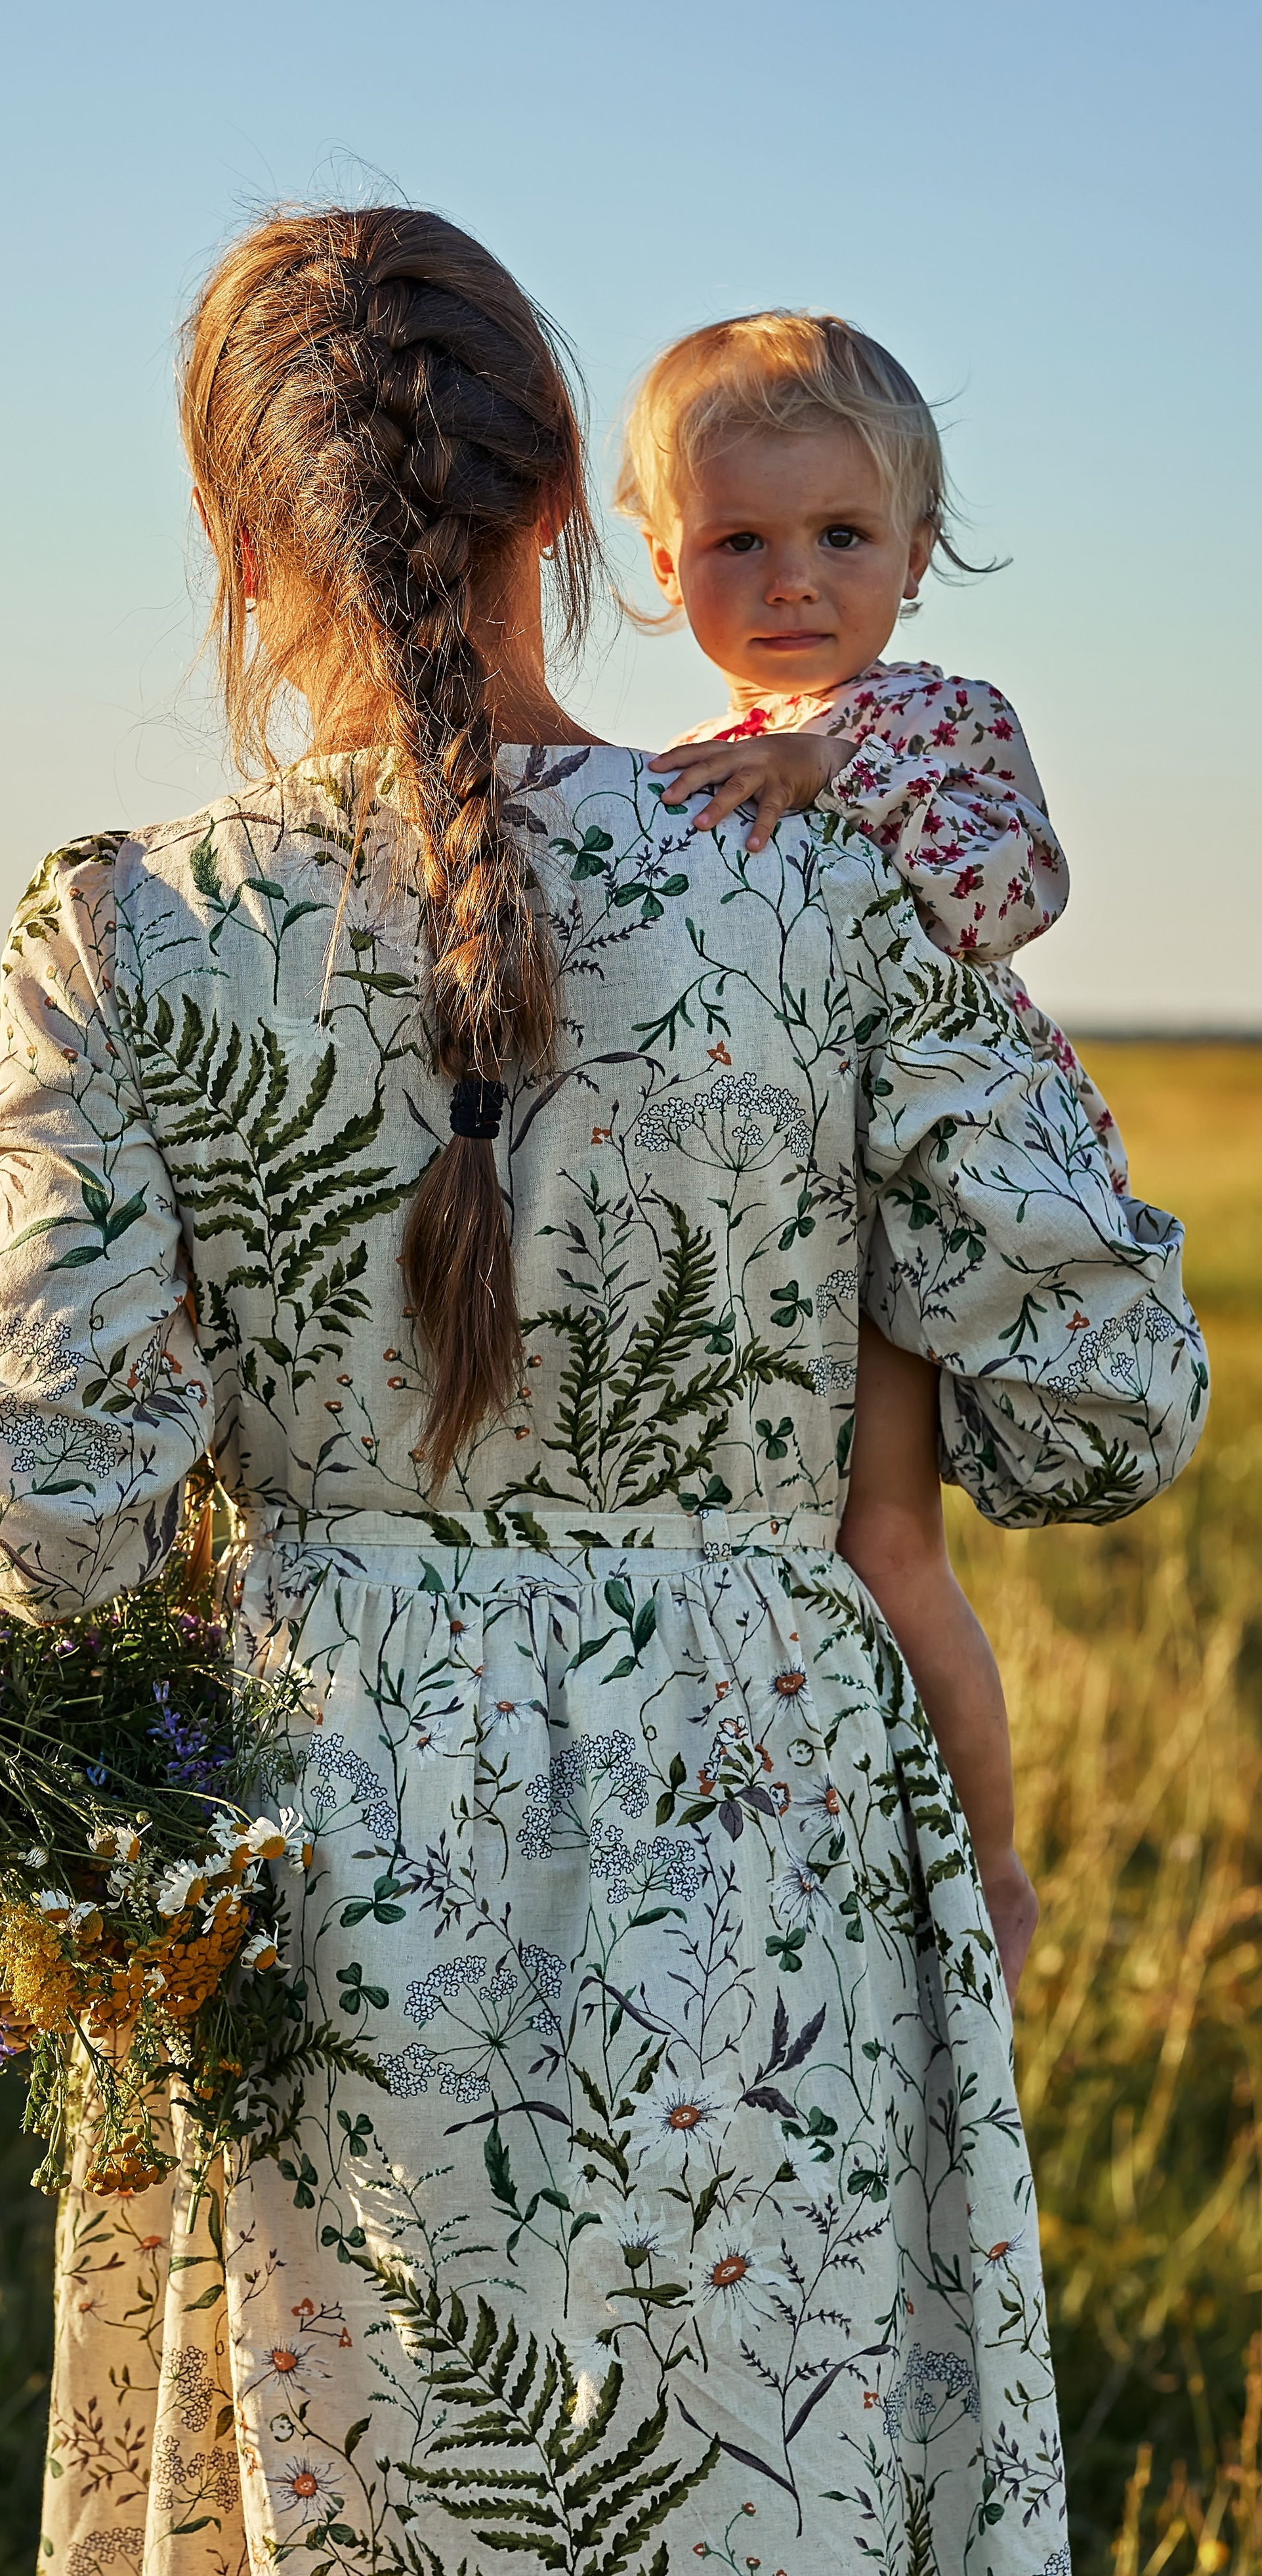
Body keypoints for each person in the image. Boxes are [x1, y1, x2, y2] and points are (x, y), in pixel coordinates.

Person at [0, 207, 1206, 2576]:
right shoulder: (833, 873)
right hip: (775, 1848)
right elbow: (1103, 1412)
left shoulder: (125, 923)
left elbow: (61, 1519)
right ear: (563, 522)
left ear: (239, 534)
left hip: (311, 1863)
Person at [620, 311, 1119, 2003]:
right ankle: (805, 1865)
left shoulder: (935, 718)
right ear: (663, 555)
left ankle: (986, 1866)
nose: (793, 582)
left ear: (915, 545)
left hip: (920, 1181)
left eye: (841, 536)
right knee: (766, 1532)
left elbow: (1013, 893)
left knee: (885, 1541)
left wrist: (844, 775)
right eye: (740, 542)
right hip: (782, 1196)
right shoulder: (712, 748)